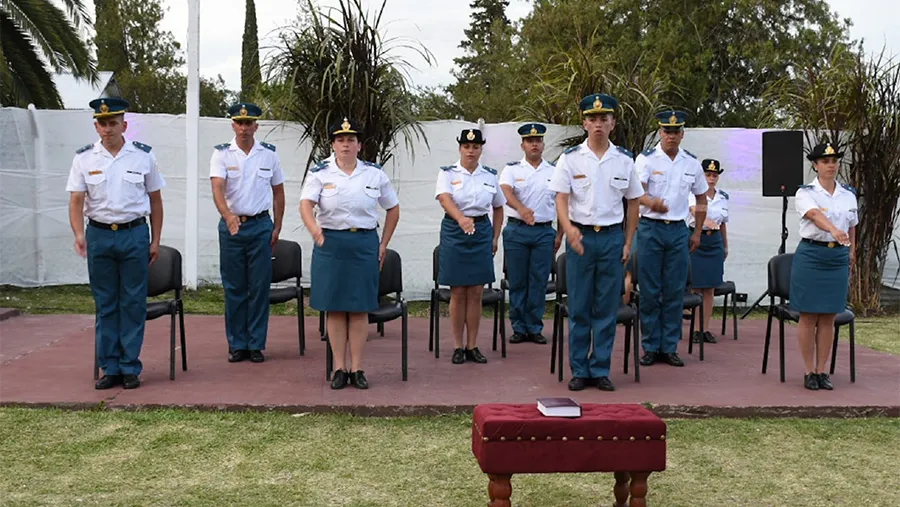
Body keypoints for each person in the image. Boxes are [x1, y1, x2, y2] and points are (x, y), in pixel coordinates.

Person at [66, 97, 166, 390]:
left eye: (113, 123)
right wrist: (79, 234)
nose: (107, 129)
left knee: (133, 302)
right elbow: (76, 200)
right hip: (99, 235)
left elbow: (156, 201)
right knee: (106, 303)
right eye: (102, 124)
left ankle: (129, 366)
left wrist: (156, 239)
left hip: (134, 233)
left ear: (124, 125)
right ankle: (110, 367)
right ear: (96, 127)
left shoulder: (143, 156)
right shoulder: (84, 158)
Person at [549, 93, 644, 392]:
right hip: (581, 237)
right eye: (593, 119)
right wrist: (568, 229)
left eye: (604, 119)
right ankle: (580, 369)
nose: (598, 124)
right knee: (579, 305)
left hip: (612, 238)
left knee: (606, 306)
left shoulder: (624, 160)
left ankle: (600, 368)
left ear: (613, 123)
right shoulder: (570, 158)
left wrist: (628, 242)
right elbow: (561, 198)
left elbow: (634, 202)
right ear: (585, 123)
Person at [300, 118, 400, 389]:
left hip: (364, 243)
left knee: (359, 308)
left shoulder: (374, 174)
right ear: (333, 145)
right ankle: (339, 368)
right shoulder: (320, 173)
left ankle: (357, 368)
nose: (346, 144)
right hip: (330, 244)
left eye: (351, 140)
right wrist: (314, 230)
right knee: (334, 307)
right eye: (340, 140)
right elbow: (306, 204)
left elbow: (393, 208)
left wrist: (383, 243)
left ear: (359, 145)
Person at [210, 102, 285, 364]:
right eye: (239, 123)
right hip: (232, 226)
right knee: (234, 287)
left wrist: (277, 225)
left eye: (248, 123)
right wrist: (227, 215)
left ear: (256, 126)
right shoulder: (222, 154)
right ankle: (237, 343)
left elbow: (278, 192)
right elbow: (217, 188)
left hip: (260, 225)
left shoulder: (269, 155)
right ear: (233, 125)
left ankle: (256, 344)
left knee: (259, 287)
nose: (244, 128)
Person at [635, 111, 708, 367]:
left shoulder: (691, 162)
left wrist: (697, 231)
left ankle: (669, 346)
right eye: (667, 131)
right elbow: (635, 194)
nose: (671, 136)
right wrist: (651, 203)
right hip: (650, 228)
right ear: (660, 133)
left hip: (678, 229)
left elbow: (701, 198)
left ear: (682, 134)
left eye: (676, 132)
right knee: (650, 290)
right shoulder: (646, 159)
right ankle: (650, 346)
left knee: (675, 290)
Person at [435, 128, 505, 365]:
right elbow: (444, 198)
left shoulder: (489, 175)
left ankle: (472, 345)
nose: (471, 151)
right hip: (455, 230)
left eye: (475, 147)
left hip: (481, 230)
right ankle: (457, 345)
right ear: (460, 148)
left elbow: (498, 206)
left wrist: (495, 237)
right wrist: (461, 219)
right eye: (466, 147)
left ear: (481, 149)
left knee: (476, 292)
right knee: (457, 291)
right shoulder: (447, 173)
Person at [790, 142, 857, 391]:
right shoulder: (806, 192)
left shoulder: (848, 194)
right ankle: (809, 371)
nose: (831, 165)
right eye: (825, 161)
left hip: (837, 257)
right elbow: (815, 216)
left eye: (834, 161)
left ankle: (822, 370)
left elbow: (852, 225)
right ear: (815, 165)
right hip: (812, 254)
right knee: (808, 315)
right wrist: (834, 230)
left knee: (829, 315)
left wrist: (852, 250)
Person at [500, 123, 563, 345]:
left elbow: (562, 204)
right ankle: (518, 327)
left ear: (543, 144)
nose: (534, 144)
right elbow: (505, 192)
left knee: (539, 281)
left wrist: (560, 235)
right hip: (517, 230)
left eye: (538, 140)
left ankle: (534, 326)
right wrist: (522, 209)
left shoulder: (554, 171)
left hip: (544, 232)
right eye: (529, 141)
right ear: (522, 145)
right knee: (518, 280)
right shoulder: (512, 169)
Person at [687, 159, 729, 344]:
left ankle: (704, 328)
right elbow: (693, 210)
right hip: (697, 238)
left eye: (714, 175)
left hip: (714, 241)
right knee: (696, 287)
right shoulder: (693, 193)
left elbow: (723, 223)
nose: (711, 178)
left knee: (710, 288)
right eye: (708, 174)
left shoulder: (723, 196)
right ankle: (695, 329)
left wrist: (725, 245)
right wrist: (706, 222)